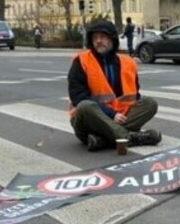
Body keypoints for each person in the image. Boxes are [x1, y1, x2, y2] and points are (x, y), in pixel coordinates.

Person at [68, 20, 162, 151]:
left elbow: (135, 95)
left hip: (120, 118)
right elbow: (78, 97)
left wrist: (120, 115)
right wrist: (111, 114)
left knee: (150, 103)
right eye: (95, 38)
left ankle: (103, 140)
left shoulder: (128, 62)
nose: (98, 41)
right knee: (84, 106)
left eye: (103, 37)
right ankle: (128, 137)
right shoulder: (81, 61)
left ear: (112, 39)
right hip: (89, 122)